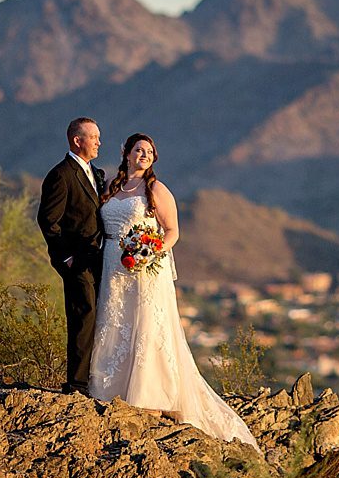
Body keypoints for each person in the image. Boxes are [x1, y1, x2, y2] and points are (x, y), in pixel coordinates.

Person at [89, 132, 260, 451]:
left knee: (146, 327)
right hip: (112, 262)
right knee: (114, 322)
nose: (143, 155)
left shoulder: (155, 190)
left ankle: (150, 394)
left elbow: (172, 231)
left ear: (153, 159)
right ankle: (108, 388)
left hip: (144, 270)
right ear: (126, 153)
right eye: (138, 150)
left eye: (149, 152)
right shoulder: (112, 186)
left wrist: (149, 253)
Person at [36, 117, 107, 395]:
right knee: (82, 318)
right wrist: (65, 257)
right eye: (94, 137)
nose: (99, 142)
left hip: (100, 259)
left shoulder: (95, 173)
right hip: (77, 262)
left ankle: (95, 379)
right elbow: (48, 220)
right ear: (78, 141)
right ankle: (76, 385)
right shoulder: (61, 175)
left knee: (97, 317)